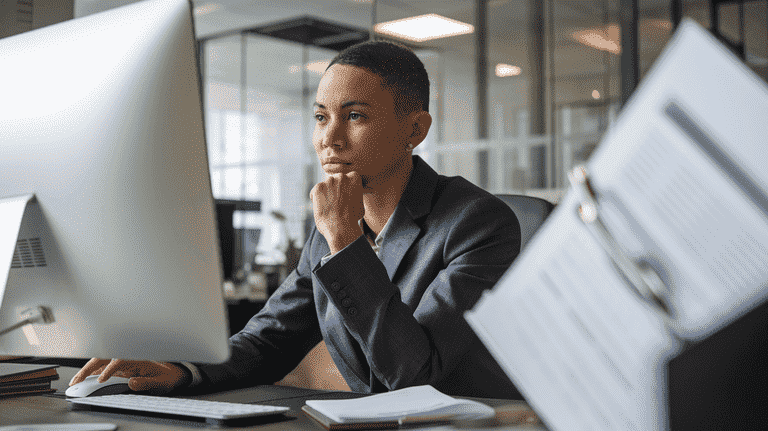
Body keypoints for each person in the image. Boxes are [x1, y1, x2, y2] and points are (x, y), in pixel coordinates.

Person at [71, 40, 523, 399]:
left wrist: (345, 241)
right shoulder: (330, 227)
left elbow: (414, 374)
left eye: (355, 116)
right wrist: (180, 371)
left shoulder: (479, 223)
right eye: (321, 117)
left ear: (415, 130)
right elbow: (269, 340)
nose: (329, 138)